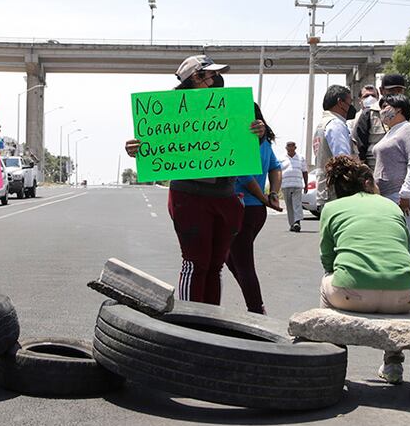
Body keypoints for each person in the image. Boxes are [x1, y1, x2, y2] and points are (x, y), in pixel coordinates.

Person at [124, 54, 266, 305]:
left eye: (215, 75)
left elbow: (252, 144)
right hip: (189, 198)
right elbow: (153, 143)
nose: (215, 79)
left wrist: (258, 131)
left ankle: (209, 322)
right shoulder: (169, 111)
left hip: (225, 196)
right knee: (195, 262)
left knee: (215, 265)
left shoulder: (231, 107)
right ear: (194, 78)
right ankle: (190, 323)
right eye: (209, 75)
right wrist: (136, 147)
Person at [318, 155, 410, 384]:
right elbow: (405, 248)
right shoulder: (391, 206)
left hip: (351, 295)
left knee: (326, 281)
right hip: (404, 297)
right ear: (366, 183)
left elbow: (327, 259)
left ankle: (332, 358)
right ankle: (393, 362)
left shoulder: (331, 208)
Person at [373, 93, 410, 313]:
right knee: (396, 246)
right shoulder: (391, 132)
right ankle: (399, 298)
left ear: (400, 108)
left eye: (387, 105)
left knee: (409, 245)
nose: (383, 109)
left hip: (402, 197)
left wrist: (405, 194)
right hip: (388, 196)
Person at [227, 105, 282, 314]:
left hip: (244, 209)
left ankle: (257, 311)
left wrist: (266, 197)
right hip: (257, 211)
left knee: (243, 264)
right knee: (230, 258)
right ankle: (255, 304)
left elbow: (243, 175)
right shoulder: (265, 141)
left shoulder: (241, 142)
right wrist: (272, 195)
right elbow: (275, 168)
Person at [312, 85, 356, 211]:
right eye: (349, 102)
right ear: (340, 102)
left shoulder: (323, 124)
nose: (350, 107)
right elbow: (344, 161)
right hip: (337, 192)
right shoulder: (336, 124)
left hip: (325, 190)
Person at [352, 83, 386, 171]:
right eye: (366, 96)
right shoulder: (352, 121)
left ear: (378, 98)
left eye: (373, 95)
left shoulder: (383, 116)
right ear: (360, 100)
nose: (370, 98)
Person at [279, 140, 308, 232]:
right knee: (289, 205)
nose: (290, 148)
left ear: (295, 148)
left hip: (297, 184)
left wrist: (306, 185)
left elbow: (305, 171)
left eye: (292, 146)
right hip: (285, 185)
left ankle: (297, 222)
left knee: (297, 204)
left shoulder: (301, 158)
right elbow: (277, 172)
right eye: (288, 146)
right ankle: (292, 224)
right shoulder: (281, 158)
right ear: (286, 148)